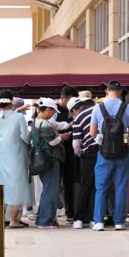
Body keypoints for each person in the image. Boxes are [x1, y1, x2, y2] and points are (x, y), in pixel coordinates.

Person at [90, 80, 129, 231]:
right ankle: (119, 222)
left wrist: (100, 137)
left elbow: (92, 132)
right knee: (121, 186)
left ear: (106, 91)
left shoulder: (98, 107)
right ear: (121, 92)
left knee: (101, 187)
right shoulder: (127, 108)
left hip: (104, 153)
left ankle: (98, 221)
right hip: (123, 153)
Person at [0, 90, 32, 228]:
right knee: (18, 185)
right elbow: (25, 137)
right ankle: (14, 219)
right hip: (17, 154)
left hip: (2, 155)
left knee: (2, 186)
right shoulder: (19, 117)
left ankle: (0, 218)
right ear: (11, 101)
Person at [32, 98, 70, 228]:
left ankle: (42, 219)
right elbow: (51, 143)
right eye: (53, 111)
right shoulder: (46, 125)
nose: (53, 114)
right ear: (47, 109)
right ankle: (45, 221)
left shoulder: (35, 123)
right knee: (50, 191)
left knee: (47, 190)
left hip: (41, 161)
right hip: (50, 160)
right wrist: (61, 137)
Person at [68, 95, 97, 229]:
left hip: (89, 153)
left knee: (86, 186)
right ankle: (94, 218)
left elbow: (75, 144)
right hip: (104, 152)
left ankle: (79, 218)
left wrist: (79, 154)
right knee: (99, 187)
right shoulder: (99, 110)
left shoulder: (79, 118)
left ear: (74, 110)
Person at [51, 86, 79, 222]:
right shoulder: (53, 109)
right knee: (55, 183)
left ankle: (70, 212)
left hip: (70, 151)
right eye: (70, 100)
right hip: (57, 150)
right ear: (63, 98)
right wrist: (67, 127)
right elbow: (51, 125)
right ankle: (52, 213)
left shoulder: (72, 109)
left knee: (69, 182)